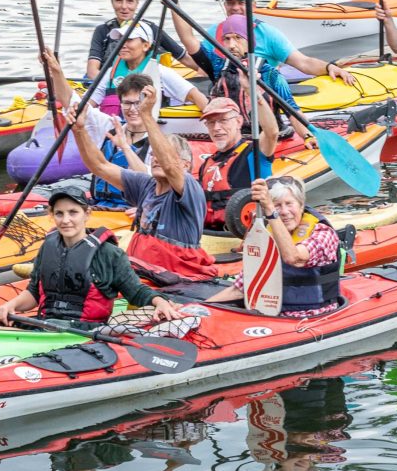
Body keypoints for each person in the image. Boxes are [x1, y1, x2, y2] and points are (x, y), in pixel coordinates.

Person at [41, 50, 220, 281]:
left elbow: (170, 166)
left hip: (178, 277)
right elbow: (99, 166)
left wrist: (147, 115)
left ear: (186, 164)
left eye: (163, 155)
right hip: (140, 271)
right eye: (154, 154)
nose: (156, 158)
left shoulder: (189, 188)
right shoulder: (145, 185)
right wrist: (79, 130)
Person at [0, 187, 184, 327]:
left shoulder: (110, 254)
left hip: (86, 332)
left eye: (73, 212)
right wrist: (10, 306)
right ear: (52, 215)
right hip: (46, 324)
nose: (65, 220)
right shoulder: (47, 248)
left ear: (87, 214)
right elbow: (34, 293)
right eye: (59, 214)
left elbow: (136, 292)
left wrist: (161, 302)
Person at [206, 176, 345, 318]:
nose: (284, 212)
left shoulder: (323, 234)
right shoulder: (266, 236)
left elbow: (294, 258)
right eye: (277, 205)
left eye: (289, 204)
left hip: (311, 317)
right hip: (273, 316)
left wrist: (271, 210)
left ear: (301, 206)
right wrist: (201, 308)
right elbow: (241, 289)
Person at [176, 0, 357, 88]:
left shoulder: (268, 33)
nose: (236, 8)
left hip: (261, 90)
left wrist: (329, 67)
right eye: (230, 3)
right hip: (226, 89)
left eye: (242, 3)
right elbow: (196, 55)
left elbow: (303, 62)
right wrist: (173, 3)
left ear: (253, 6)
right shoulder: (217, 30)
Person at [189, 14, 291, 137]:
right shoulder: (218, 66)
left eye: (238, 38)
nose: (231, 45)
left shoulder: (271, 74)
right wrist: (174, 1)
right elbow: (188, 40)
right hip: (233, 137)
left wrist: (307, 135)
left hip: (270, 138)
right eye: (227, 39)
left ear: (249, 42)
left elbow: (293, 111)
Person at [86, 0, 188, 82]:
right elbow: (92, 71)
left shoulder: (151, 29)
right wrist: (115, 87)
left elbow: (184, 58)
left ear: (137, 3)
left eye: (130, 1)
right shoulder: (102, 31)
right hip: (112, 84)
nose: (124, 6)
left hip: (144, 86)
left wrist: (174, 3)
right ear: (112, 2)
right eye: (118, 0)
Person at [193, 95, 279, 217]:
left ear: (239, 122)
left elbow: (272, 132)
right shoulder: (207, 163)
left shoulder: (253, 153)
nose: (216, 128)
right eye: (211, 122)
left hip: (246, 231)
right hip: (210, 233)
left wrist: (254, 94)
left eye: (223, 120)